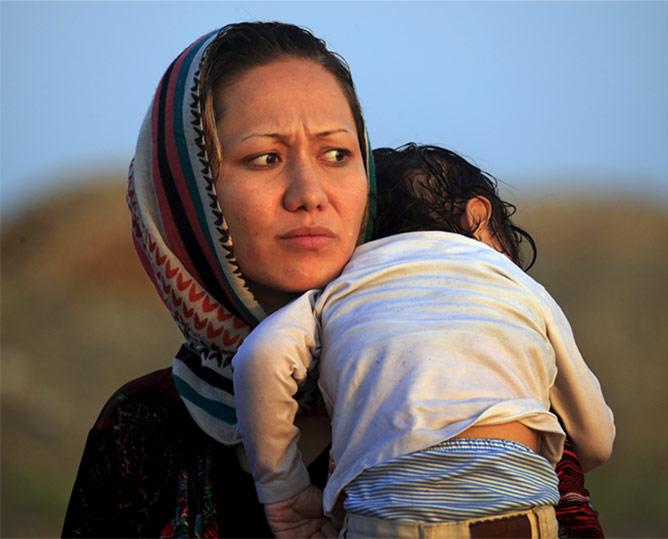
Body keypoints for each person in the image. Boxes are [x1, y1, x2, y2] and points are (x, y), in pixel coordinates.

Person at [61, 21, 607, 539]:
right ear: (188, 195)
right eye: (265, 158)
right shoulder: (144, 428)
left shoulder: (495, 389)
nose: (310, 192)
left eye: (337, 154)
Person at [232, 144, 615, 538]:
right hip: (510, 497)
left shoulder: (339, 288)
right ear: (479, 217)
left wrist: (284, 490)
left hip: (390, 504)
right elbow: (596, 440)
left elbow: (258, 359)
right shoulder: (517, 284)